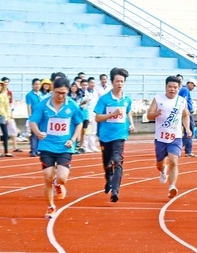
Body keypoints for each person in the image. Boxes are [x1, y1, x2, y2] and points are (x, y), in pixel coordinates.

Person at [29, 78, 84, 218]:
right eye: (58, 92)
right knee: (47, 176)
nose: (61, 96)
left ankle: (57, 184)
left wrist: (73, 139)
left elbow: (79, 123)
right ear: (53, 90)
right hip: (47, 145)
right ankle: (50, 206)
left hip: (64, 147)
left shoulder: (72, 106)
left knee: (62, 178)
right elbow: (33, 121)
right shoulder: (43, 105)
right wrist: (38, 133)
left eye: (64, 93)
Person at [146, 76, 192, 199]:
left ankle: (172, 186)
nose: (172, 89)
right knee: (160, 164)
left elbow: (186, 115)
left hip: (175, 137)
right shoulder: (158, 99)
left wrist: (187, 128)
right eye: (170, 87)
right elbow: (148, 116)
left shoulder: (181, 101)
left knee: (174, 161)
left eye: (175, 87)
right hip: (160, 137)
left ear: (179, 88)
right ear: (166, 87)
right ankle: (162, 170)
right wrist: (156, 114)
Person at [94, 68, 135, 202]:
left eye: (122, 81)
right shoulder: (104, 99)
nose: (120, 84)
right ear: (112, 82)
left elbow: (128, 112)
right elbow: (97, 118)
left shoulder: (127, 99)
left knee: (117, 160)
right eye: (117, 81)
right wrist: (112, 114)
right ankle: (108, 178)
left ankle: (115, 191)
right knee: (107, 162)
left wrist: (131, 124)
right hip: (105, 136)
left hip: (120, 135)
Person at [177, 77, 197, 157]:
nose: (194, 88)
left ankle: (188, 151)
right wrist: (186, 112)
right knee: (189, 132)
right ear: (190, 83)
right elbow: (183, 101)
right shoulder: (185, 90)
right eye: (194, 86)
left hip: (187, 113)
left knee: (188, 132)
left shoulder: (185, 90)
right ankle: (176, 148)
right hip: (187, 113)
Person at [26, 78, 42, 157]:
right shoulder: (29, 95)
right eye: (35, 84)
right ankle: (33, 150)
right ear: (32, 85)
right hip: (34, 116)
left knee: (40, 134)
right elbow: (29, 106)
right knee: (34, 134)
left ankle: (39, 150)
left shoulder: (42, 94)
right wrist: (30, 117)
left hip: (42, 117)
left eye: (38, 84)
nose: (37, 86)